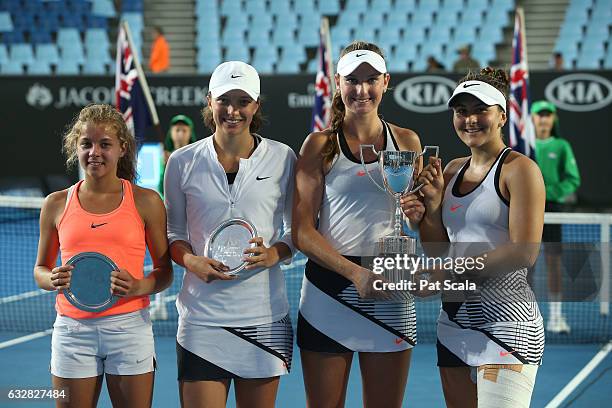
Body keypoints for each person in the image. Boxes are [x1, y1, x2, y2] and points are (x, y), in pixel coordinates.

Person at [293, 41, 425, 408]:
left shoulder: (408, 141)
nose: (361, 89)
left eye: (370, 80)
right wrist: (355, 274)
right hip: (328, 292)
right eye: (352, 79)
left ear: (386, 82)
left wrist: (420, 214)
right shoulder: (318, 144)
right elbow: (302, 231)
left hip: (391, 291)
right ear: (337, 82)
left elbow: (414, 224)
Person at [404, 67, 546, 407]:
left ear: (501, 115)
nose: (470, 119)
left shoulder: (520, 170)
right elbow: (437, 249)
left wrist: (447, 273)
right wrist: (430, 212)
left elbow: (524, 252)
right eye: (461, 111)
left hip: (509, 326)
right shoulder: (450, 170)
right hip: (453, 325)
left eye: (480, 110)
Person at [164, 61, 295, 408]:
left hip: (264, 317)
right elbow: (173, 234)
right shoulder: (181, 161)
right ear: (210, 101)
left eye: (243, 101)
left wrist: (275, 252)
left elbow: (297, 230)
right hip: (201, 321)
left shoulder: (283, 158)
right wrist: (191, 261)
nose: (233, 110)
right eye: (224, 100)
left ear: (256, 106)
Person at [33, 104, 173, 407]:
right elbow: (41, 269)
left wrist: (138, 286)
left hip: (129, 329)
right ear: (76, 146)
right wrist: (51, 278)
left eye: (104, 144)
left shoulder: (146, 202)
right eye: (86, 143)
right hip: (72, 332)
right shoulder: (55, 204)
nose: (94, 152)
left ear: (122, 148)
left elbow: (165, 271)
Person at [531, 100, 581, 333]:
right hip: (526, 207)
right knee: (524, 262)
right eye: (539, 115)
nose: (543, 119)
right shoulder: (523, 145)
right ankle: (526, 313)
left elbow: (573, 179)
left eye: (547, 115)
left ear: (553, 119)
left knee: (553, 261)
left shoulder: (561, 146)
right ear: (531, 118)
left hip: (551, 207)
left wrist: (549, 193)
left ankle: (556, 316)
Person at [158, 114, 197, 195]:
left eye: (184, 130)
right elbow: (161, 189)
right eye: (177, 130)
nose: (180, 134)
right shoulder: (164, 158)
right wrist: (165, 167)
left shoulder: (197, 157)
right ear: (171, 133)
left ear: (190, 133)